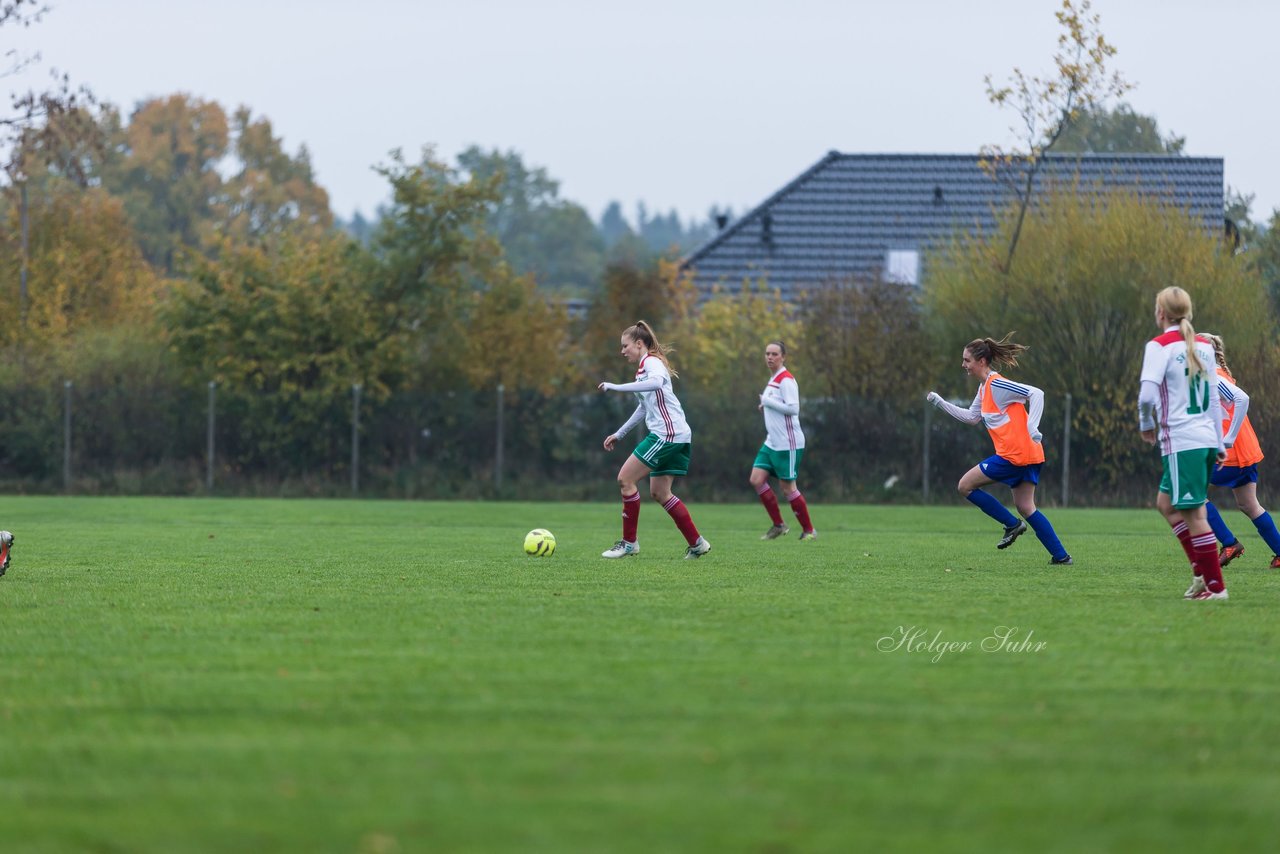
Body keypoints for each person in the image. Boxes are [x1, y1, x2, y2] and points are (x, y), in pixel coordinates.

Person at [925, 333, 1072, 565]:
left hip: (1014, 456)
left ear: (981, 362)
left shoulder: (997, 384)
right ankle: (1061, 556)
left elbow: (1037, 393)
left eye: (967, 360)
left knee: (965, 486)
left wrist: (1033, 426)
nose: (963, 365)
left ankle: (1012, 525)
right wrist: (940, 402)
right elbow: (972, 417)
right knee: (1026, 506)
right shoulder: (984, 389)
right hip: (1031, 455)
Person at [1138, 286, 1228, 600]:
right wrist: (1219, 442)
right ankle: (1201, 573)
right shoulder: (1203, 345)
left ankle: (1216, 588)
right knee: (1166, 504)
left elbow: (1147, 396)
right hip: (1202, 439)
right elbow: (1215, 400)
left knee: (1195, 516)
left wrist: (1145, 425)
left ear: (1160, 313)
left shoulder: (1159, 345)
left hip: (1183, 441)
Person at [597, 320, 711, 560]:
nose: (622, 351)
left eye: (625, 345)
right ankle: (697, 543)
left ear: (639, 344)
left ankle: (629, 543)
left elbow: (658, 382)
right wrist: (619, 434)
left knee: (625, 479)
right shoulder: (642, 370)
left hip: (667, 435)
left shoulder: (651, 363)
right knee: (660, 492)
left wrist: (616, 387)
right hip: (677, 434)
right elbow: (643, 408)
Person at [1197, 333, 1280, 569]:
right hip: (1247, 451)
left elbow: (1243, 399)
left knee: (1192, 491)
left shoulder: (1212, 375)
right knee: (1249, 505)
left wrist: (1228, 438)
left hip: (1233, 453)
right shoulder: (1218, 375)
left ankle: (1229, 544)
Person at [750, 340, 816, 541]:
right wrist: (766, 406)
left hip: (788, 443)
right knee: (756, 479)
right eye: (767, 353)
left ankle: (809, 531)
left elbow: (793, 408)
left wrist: (768, 402)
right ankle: (779, 525)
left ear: (783, 357)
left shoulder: (786, 380)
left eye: (774, 354)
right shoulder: (773, 379)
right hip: (772, 442)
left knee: (788, 488)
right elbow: (777, 404)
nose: (770, 357)